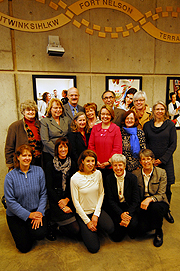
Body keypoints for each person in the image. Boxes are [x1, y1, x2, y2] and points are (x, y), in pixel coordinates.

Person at [4, 144, 47, 253]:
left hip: (35, 211)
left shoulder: (39, 171)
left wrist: (39, 213)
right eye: (24, 155)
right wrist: (28, 215)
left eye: (29, 155)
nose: (27, 158)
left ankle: (28, 229)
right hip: (15, 215)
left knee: (40, 234)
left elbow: (43, 194)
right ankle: (23, 230)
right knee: (24, 248)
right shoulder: (10, 176)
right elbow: (10, 201)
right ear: (18, 157)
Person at [70, 150, 114, 253]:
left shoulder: (98, 173)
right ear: (82, 162)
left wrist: (96, 215)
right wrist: (88, 222)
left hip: (96, 211)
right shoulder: (75, 179)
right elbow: (76, 202)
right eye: (88, 161)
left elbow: (101, 193)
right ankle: (87, 230)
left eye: (93, 161)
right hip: (83, 214)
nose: (90, 164)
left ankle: (96, 227)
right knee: (94, 248)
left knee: (110, 228)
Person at [143, 101, 177, 224]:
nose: (159, 111)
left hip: (166, 161)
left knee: (167, 188)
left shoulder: (170, 125)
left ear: (165, 111)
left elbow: (173, 145)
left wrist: (162, 159)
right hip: (150, 162)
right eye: (157, 109)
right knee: (152, 186)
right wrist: (150, 159)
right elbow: (145, 144)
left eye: (162, 109)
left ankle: (166, 210)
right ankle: (154, 209)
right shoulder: (147, 125)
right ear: (153, 111)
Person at [133, 149, 169, 247]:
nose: (146, 162)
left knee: (155, 208)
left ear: (153, 160)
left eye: (148, 159)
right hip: (142, 203)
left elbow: (161, 194)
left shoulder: (161, 173)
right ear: (140, 162)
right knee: (139, 232)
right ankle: (148, 224)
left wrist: (149, 199)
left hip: (158, 202)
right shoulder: (135, 174)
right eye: (143, 159)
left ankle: (158, 231)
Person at [45, 137, 79, 241]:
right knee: (74, 229)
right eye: (60, 147)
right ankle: (52, 225)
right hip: (55, 199)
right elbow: (49, 187)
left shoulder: (73, 164)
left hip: (68, 197)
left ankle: (60, 225)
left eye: (65, 146)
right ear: (57, 149)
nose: (63, 149)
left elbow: (73, 185)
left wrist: (67, 200)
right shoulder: (50, 164)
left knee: (77, 231)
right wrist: (61, 203)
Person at [106, 154, 140, 242]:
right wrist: (121, 214)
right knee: (116, 238)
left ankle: (127, 225)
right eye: (115, 165)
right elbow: (110, 200)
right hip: (117, 208)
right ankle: (123, 226)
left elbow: (136, 200)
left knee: (133, 228)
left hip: (129, 207)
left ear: (124, 166)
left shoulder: (132, 178)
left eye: (120, 165)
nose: (118, 168)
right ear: (112, 166)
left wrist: (127, 215)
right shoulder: (109, 179)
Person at [5, 100, 42, 169]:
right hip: (22, 162)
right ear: (23, 112)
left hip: (39, 162)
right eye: (28, 110)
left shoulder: (40, 124)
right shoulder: (15, 126)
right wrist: (10, 164)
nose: (31, 112)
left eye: (33, 110)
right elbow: (9, 147)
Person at [88, 105, 122, 176]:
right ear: (100, 115)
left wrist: (109, 162)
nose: (105, 116)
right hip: (96, 165)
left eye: (108, 114)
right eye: (103, 114)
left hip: (111, 167)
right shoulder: (95, 128)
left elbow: (117, 148)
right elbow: (91, 146)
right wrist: (95, 161)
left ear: (111, 115)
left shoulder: (116, 129)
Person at [40, 98, 69, 167]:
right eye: (55, 108)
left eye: (60, 108)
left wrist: (64, 150)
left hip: (64, 152)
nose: (58, 110)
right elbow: (45, 140)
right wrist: (58, 151)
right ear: (50, 109)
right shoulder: (45, 121)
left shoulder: (66, 119)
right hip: (50, 153)